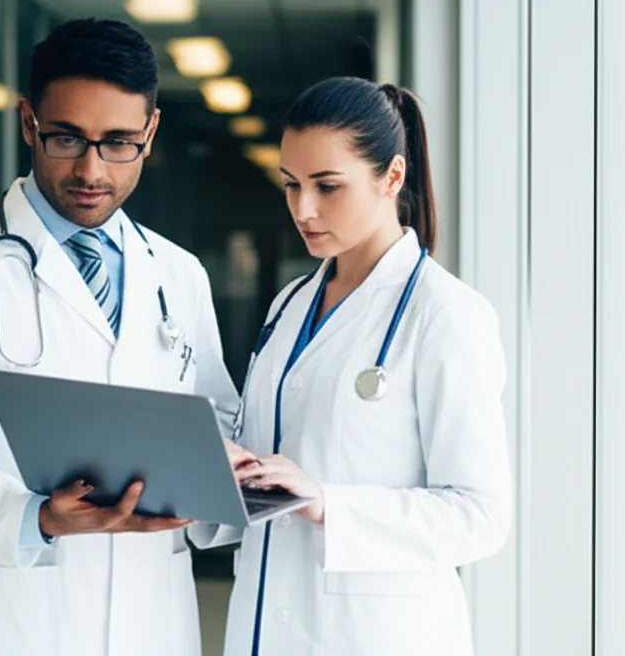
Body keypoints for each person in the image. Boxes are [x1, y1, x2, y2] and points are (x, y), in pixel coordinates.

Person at [0, 18, 239, 656]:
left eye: (119, 142)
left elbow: (217, 417)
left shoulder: (178, 273)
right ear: (28, 121)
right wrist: (34, 516)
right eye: (67, 138)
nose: (91, 170)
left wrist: (225, 474)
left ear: (150, 133)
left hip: (151, 614)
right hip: (11, 622)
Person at [193, 77, 513, 656]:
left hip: (378, 635)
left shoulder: (446, 315)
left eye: (327, 186)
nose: (303, 209)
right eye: (290, 185)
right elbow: (272, 455)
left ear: (392, 176)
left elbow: (480, 514)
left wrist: (326, 504)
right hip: (266, 624)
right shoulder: (290, 305)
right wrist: (219, 466)